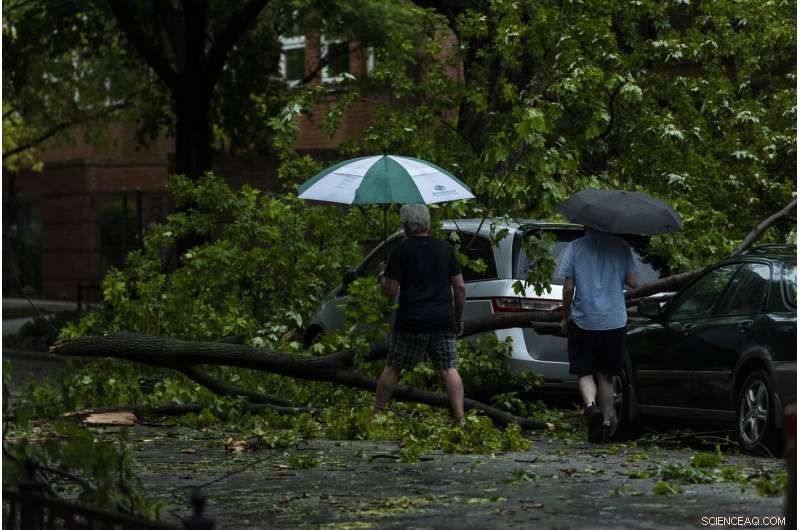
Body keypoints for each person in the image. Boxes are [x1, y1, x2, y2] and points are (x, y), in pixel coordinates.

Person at [374, 203, 467, 425]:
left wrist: (382, 276)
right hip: (442, 320)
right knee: (449, 369)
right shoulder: (445, 249)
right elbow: (460, 288)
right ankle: (460, 419)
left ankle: (376, 416)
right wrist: (458, 318)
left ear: (406, 225)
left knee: (393, 367)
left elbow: (390, 291)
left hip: (411, 321)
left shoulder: (401, 250)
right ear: (427, 223)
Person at [557, 227, 639, 443]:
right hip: (614, 320)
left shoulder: (575, 247)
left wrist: (566, 317)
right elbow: (634, 282)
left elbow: (567, 288)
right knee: (606, 375)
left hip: (584, 320)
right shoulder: (621, 247)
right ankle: (604, 423)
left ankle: (591, 408)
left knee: (584, 371)